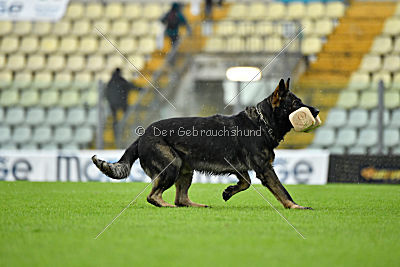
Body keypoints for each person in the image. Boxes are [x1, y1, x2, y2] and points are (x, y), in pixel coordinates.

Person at [105, 68, 140, 138]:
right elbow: (131, 86)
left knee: (115, 120)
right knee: (127, 117)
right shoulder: (121, 81)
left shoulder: (110, 82)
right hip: (122, 103)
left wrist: (110, 101)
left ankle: (116, 135)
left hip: (112, 104)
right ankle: (126, 132)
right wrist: (141, 89)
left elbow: (106, 93)